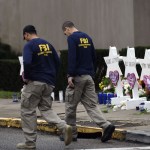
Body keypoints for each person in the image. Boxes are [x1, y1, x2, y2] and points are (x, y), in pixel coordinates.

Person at [17, 25, 72, 149]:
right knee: (46, 109)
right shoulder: (48, 44)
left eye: (24, 37)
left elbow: (26, 62)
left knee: (27, 110)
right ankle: (64, 126)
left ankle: (30, 143)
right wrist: (52, 78)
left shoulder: (29, 45)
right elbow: (58, 62)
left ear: (26, 34)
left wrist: (27, 78)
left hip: (34, 82)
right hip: (49, 83)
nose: (25, 39)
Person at [61, 21, 115, 142]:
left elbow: (72, 57)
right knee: (92, 106)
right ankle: (106, 126)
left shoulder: (72, 38)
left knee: (70, 106)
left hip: (77, 77)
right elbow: (93, 57)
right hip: (88, 77)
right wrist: (92, 74)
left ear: (67, 29)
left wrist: (70, 75)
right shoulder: (87, 37)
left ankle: (71, 134)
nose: (66, 35)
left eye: (65, 33)